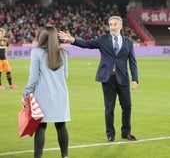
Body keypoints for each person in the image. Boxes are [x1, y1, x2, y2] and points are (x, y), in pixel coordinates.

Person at [58, 16, 138, 142]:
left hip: (123, 78)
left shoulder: (128, 42)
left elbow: (133, 62)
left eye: (115, 24)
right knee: (109, 108)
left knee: (127, 106)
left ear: (121, 26)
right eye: (111, 24)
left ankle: (126, 132)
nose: (112, 27)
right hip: (108, 78)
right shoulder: (103, 39)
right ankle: (110, 135)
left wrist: (135, 79)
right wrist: (72, 40)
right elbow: (87, 44)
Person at [22, 25, 70, 158]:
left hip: (43, 95)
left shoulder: (36, 52)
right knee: (61, 125)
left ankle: (38, 156)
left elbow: (33, 77)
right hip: (61, 95)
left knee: (41, 126)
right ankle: (65, 155)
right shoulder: (63, 53)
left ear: (42, 37)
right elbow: (65, 75)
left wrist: (26, 93)